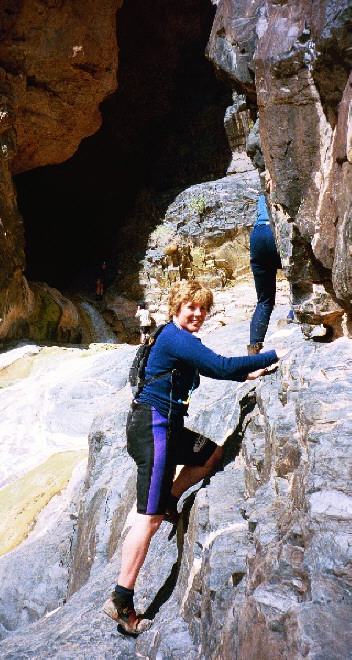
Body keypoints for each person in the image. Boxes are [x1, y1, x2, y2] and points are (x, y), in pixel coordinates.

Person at [103, 279, 288, 634]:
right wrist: (272, 355)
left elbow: (209, 370)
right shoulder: (175, 337)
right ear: (176, 309)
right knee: (148, 520)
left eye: (203, 308)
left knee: (212, 454)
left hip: (166, 429)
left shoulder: (175, 340)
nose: (198, 314)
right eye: (191, 307)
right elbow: (218, 365)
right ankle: (121, 599)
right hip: (154, 428)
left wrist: (248, 373)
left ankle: (171, 499)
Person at [248, 193, 285, 355]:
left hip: (257, 235)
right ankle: (292, 317)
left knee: (264, 299)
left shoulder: (263, 192)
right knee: (299, 278)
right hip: (275, 231)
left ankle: (253, 349)